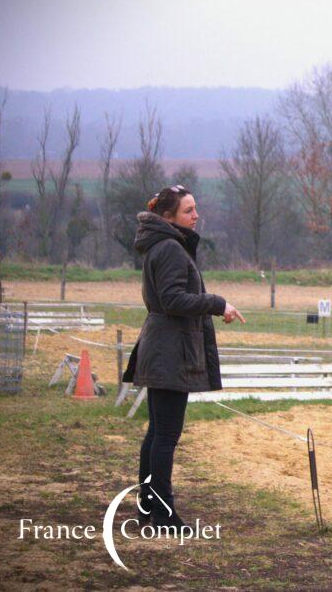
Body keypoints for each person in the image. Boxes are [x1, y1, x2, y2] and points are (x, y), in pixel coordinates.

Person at [122, 184, 245, 530]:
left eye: (195, 209)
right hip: (169, 353)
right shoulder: (172, 250)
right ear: (168, 218)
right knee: (165, 436)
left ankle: (149, 509)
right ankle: (162, 513)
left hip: (162, 349)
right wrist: (217, 303)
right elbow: (174, 300)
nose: (196, 215)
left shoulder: (160, 247)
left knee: (157, 434)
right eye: (188, 211)